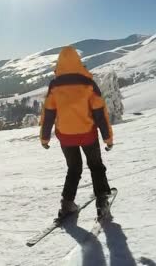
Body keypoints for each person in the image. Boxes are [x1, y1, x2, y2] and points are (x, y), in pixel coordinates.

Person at [40, 46, 114, 220]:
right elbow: (100, 113)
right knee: (96, 166)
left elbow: (48, 112)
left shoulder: (55, 86)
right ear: (78, 62)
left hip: (65, 137)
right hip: (88, 134)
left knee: (73, 169)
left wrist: (44, 137)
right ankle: (102, 202)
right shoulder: (88, 84)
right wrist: (107, 138)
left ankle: (67, 205)